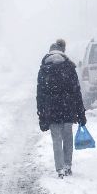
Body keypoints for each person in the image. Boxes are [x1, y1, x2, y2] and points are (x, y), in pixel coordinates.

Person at [36, 39, 87, 178]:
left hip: (52, 109)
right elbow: (76, 91)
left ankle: (59, 169)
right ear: (62, 51)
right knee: (67, 137)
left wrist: (41, 115)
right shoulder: (69, 67)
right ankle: (67, 165)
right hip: (67, 107)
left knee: (56, 139)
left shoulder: (44, 69)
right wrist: (81, 113)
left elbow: (40, 94)